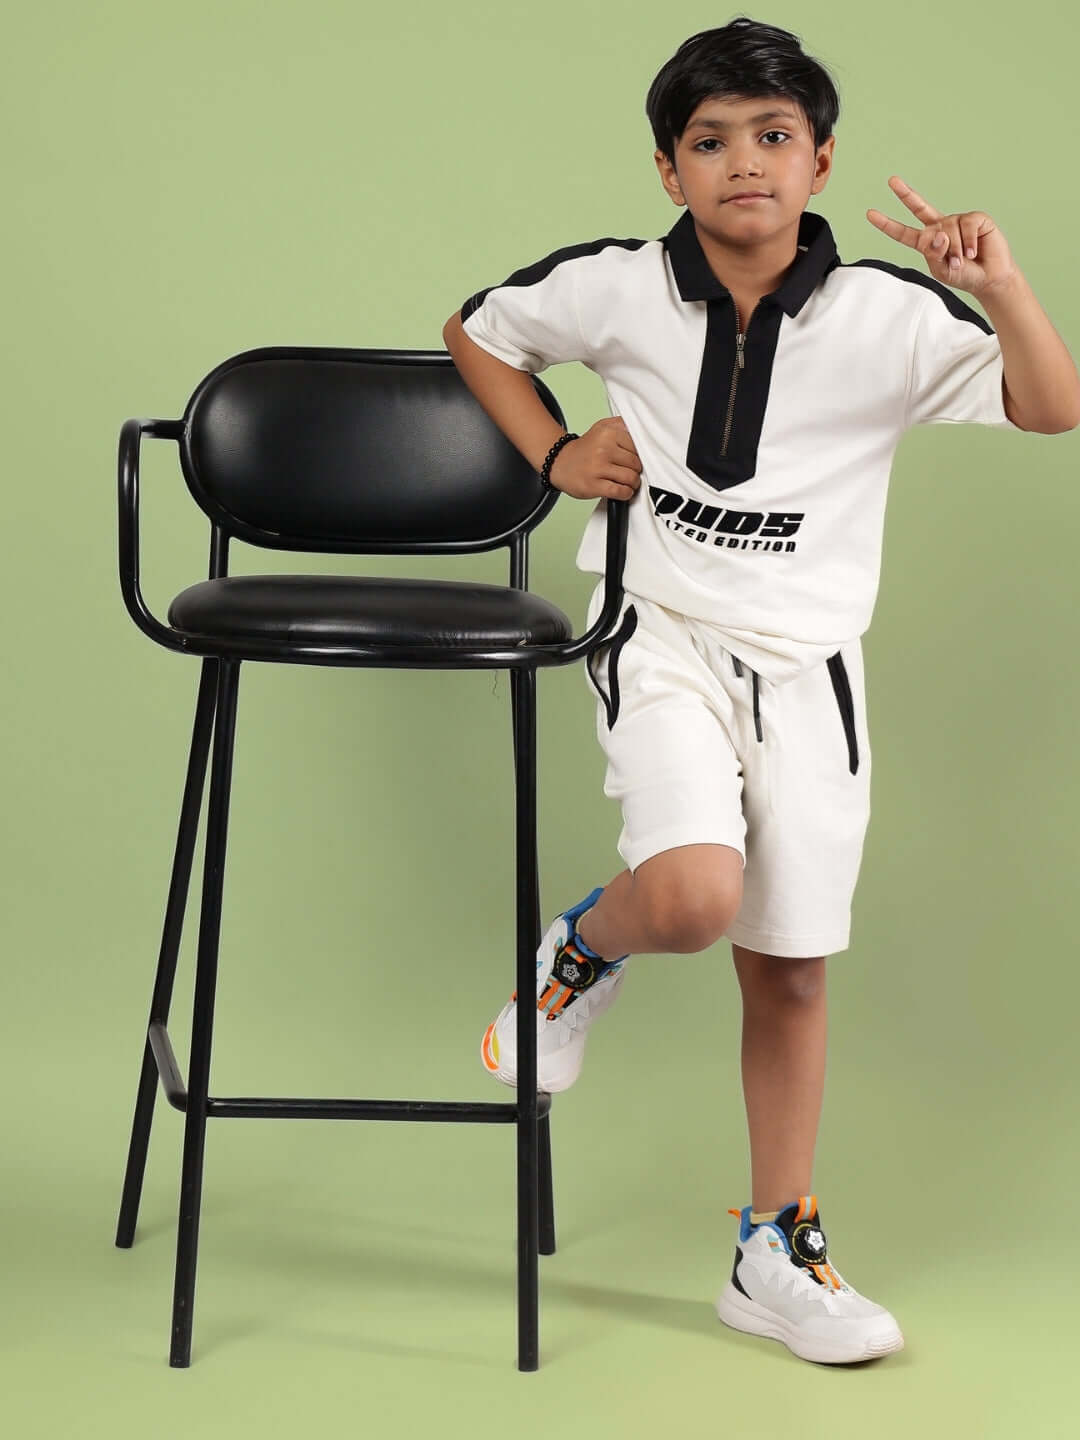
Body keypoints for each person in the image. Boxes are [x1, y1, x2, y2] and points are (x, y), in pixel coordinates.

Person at [442, 17, 1078, 1366]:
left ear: (821, 161)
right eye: (712, 141)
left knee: (788, 971)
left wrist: (1005, 285)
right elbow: (479, 332)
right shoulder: (616, 288)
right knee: (689, 895)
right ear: (670, 171)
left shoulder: (891, 319)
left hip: (813, 667)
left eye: (774, 138)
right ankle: (573, 961)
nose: (746, 163)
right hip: (658, 626)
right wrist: (555, 450)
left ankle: (773, 1245)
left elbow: (1050, 405)